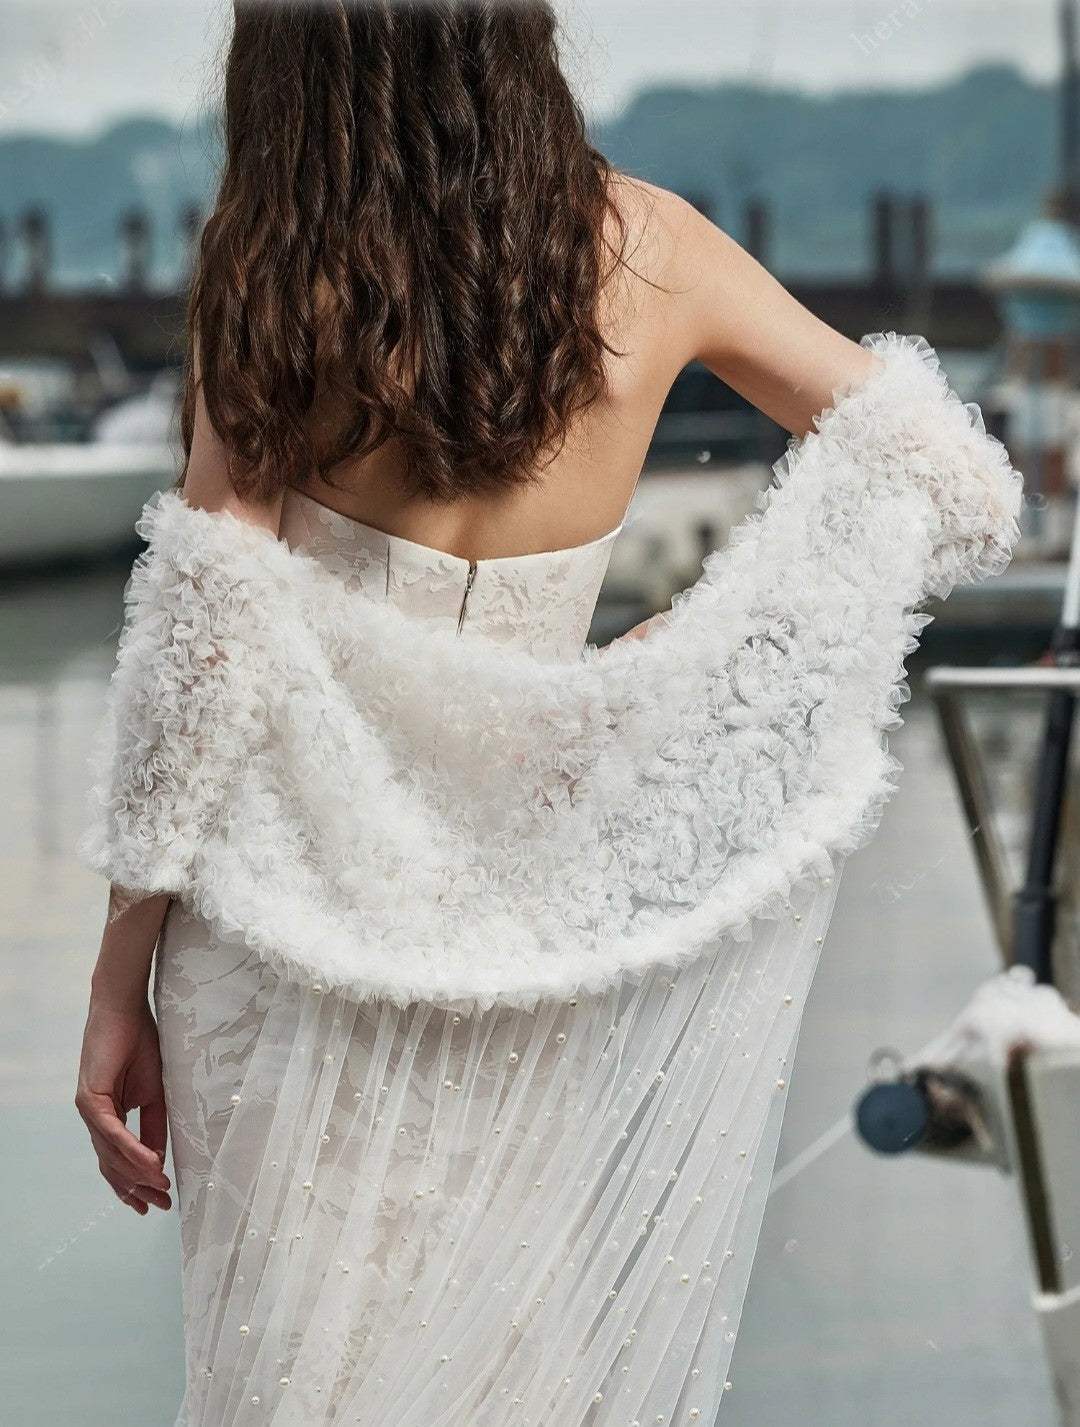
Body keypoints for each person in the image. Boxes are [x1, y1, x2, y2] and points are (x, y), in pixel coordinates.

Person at [74, 5, 1020, 1424]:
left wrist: (115, 977)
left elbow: (205, 652)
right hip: (529, 917)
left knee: (297, 1368)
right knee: (511, 1356)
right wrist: (669, 658)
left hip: (281, 929)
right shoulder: (654, 250)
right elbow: (956, 481)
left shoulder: (280, 268)